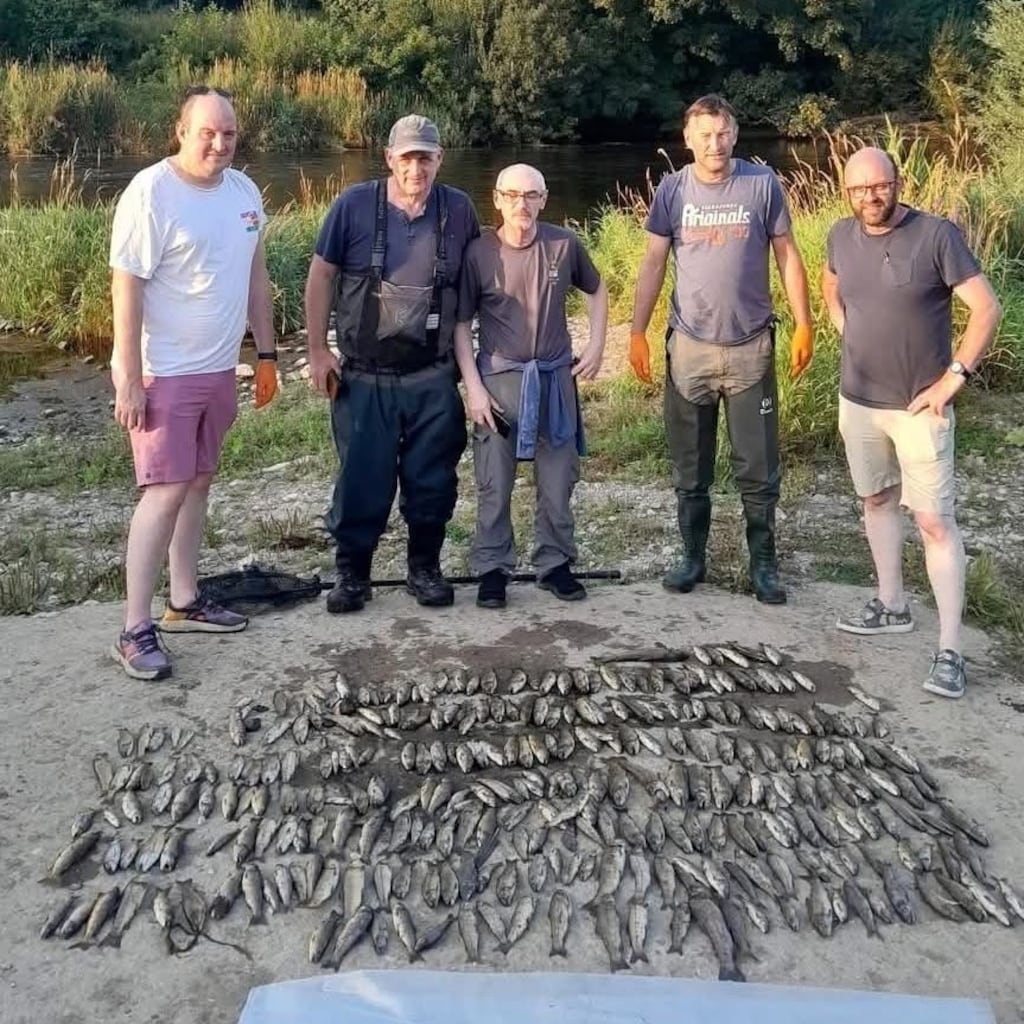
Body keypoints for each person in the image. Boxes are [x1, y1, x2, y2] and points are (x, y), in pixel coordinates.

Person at [109, 86, 279, 681]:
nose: (219, 142)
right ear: (181, 131)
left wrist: (266, 354)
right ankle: (134, 629)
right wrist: (127, 373)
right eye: (207, 131)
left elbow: (256, 275)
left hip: (218, 369)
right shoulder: (151, 193)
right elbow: (125, 286)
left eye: (229, 132)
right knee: (164, 491)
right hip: (165, 373)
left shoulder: (244, 192)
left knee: (199, 483)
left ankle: (184, 601)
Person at [822, 146, 1002, 699]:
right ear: (846, 192)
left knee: (933, 522)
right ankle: (891, 604)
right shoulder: (839, 235)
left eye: (879, 186)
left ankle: (950, 650)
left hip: (920, 408)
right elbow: (831, 282)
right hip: (859, 400)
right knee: (875, 500)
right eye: (858, 189)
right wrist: (842, 327)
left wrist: (953, 379)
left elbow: (986, 308)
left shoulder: (936, 236)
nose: (870, 197)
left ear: (899, 182)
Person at [629, 93, 814, 604]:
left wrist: (804, 322)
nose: (715, 144)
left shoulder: (762, 184)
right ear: (687, 140)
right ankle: (692, 558)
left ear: (735, 134)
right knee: (692, 466)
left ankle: (764, 566)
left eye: (723, 133)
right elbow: (652, 264)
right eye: (704, 135)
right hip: (689, 348)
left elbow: (787, 253)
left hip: (751, 346)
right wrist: (637, 331)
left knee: (757, 467)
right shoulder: (672, 190)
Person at [305, 115, 480, 613]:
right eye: (407, 157)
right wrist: (318, 350)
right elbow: (321, 277)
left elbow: (478, 285)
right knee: (361, 479)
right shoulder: (353, 206)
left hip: (433, 376)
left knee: (434, 482)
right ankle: (352, 574)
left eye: (426, 156)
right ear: (389, 158)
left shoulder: (460, 210)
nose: (416, 167)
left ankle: (424, 568)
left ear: (440, 158)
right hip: (364, 376)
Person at [454, 164, 608, 608]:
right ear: (497, 199)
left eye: (532, 195)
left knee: (558, 480)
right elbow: (461, 325)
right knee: (493, 481)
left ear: (544, 199)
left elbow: (596, 291)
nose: (522, 204)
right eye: (513, 195)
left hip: (555, 378)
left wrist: (597, 344)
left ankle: (555, 563)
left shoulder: (564, 244)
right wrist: (473, 387)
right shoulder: (478, 253)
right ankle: (492, 568)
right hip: (499, 382)